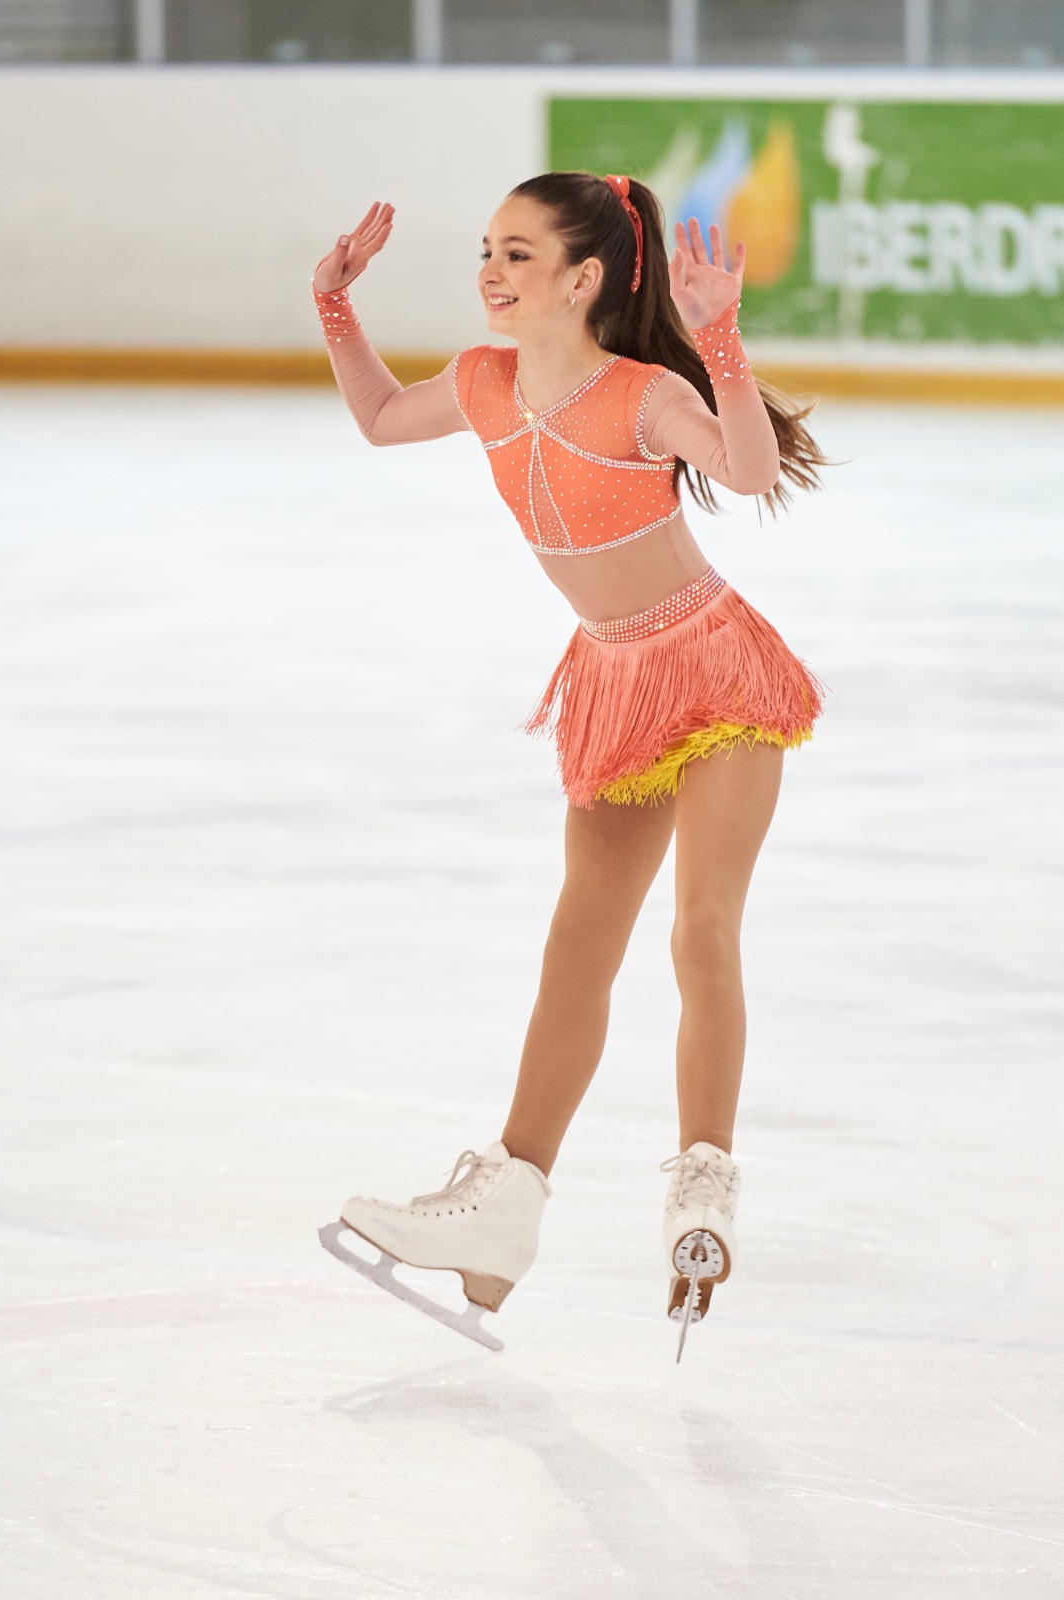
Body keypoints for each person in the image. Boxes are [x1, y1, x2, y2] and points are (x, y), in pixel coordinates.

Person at [312, 172, 828, 1354]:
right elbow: (386, 420)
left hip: (717, 675)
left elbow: (747, 475)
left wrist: (725, 345)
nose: (492, 273)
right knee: (575, 946)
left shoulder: (642, 395)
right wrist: (336, 306)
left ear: (587, 279)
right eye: (487, 252)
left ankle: (704, 1179)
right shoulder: (488, 380)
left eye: (521, 254)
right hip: (610, 681)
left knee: (701, 926)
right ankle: (506, 1204)